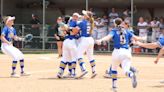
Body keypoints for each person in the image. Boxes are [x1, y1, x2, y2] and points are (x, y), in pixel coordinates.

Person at [96, 18, 146, 90]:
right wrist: (143, 38)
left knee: (114, 69)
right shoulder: (127, 31)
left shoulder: (114, 30)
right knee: (126, 70)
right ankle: (131, 75)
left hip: (117, 51)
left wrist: (101, 40)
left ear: (115, 24)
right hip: (126, 51)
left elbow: (108, 37)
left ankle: (114, 86)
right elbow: (136, 38)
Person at [56, 13, 80, 78]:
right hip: (72, 41)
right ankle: (73, 73)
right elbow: (75, 32)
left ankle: (60, 72)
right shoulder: (73, 23)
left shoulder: (66, 25)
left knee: (65, 58)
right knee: (73, 58)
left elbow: (64, 32)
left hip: (66, 42)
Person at [75, 10, 97, 78]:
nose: (83, 15)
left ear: (87, 16)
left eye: (84, 15)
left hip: (85, 40)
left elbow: (75, 30)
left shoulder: (82, 22)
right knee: (90, 56)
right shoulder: (91, 22)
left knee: (78, 54)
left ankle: (83, 69)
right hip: (90, 39)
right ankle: (94, 71)